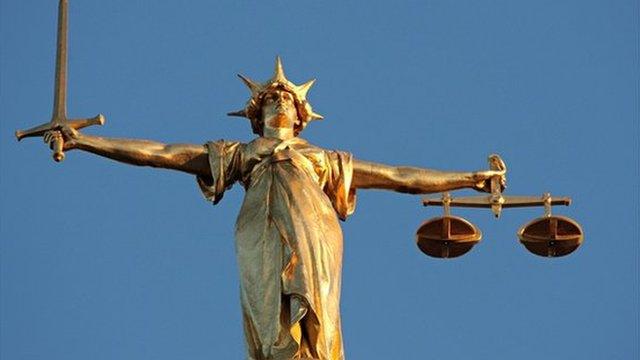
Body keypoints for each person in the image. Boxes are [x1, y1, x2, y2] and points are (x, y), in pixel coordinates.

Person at [45, 57, 505, 360]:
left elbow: (398, 176)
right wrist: (85, 141)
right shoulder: (241, 155)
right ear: (256, 111)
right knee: (268, 316)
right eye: (271, 97)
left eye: (287, 97)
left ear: (302, 113)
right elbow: (163, 153)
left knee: (318, 316)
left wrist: (468, 178)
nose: (280, 99)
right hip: (258, 231)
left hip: (315, 231)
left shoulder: (323, 160)